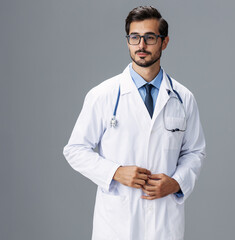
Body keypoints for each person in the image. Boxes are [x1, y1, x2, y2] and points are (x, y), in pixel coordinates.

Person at [63, 6, 206, 240]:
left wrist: (176, 183)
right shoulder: (103, 95)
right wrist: (115, 172)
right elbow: (75, 150)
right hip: (117, 223)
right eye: (134, 37)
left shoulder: (183, 98)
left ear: (164, 42)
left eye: (150, 38)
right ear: (127, 41)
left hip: (164, 222)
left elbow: (195, 152)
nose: (141, 45)